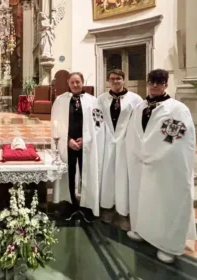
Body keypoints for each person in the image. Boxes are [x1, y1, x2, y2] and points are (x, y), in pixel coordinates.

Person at [126, 69, 197, 263]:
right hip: (142, 163)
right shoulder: (140, 107)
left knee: (166, 203)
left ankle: (169, 245)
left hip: (166, 166)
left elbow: (176, 139)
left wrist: (154, 155)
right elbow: (134, 133)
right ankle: (142, 229)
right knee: (143, 198)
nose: (155, 85)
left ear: (166, 84)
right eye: (152, 81)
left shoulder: (177, 109)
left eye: (160, 82)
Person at [51, 72, 105, 223]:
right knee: (68, 173)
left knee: (86, 172)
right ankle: (69, 204)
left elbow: (98, 123)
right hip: (66, 144)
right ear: (68, 84)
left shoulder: (93, 101)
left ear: (82, 83)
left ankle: (87, 206)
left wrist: (86, 139)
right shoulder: (60, 101)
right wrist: (67, 140)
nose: (75, 85)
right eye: (72, 82)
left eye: (78, 82)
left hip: (86, 144)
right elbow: (55, 124)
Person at [96, 69, 142, 229]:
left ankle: (123, 211)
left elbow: (139, 122)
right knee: (107, 174)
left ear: (124, 80)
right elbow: (97, 120)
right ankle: (107, 207)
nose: (116, 82)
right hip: (107, 141)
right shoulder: (101, 99)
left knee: (124, 176)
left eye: (119, 79)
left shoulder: (135, 100)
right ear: (108, 81)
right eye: (112, 79)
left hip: (126, 141)